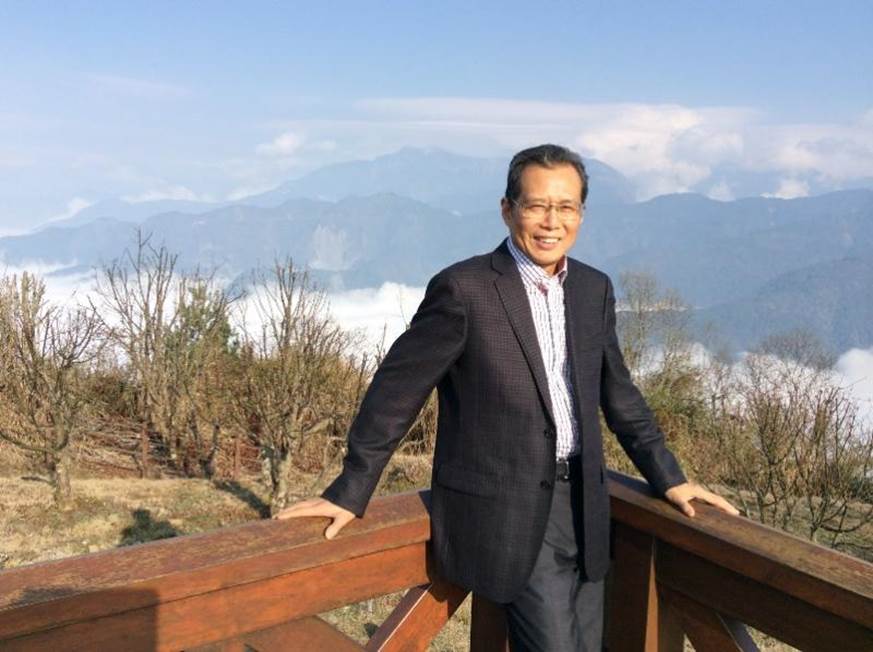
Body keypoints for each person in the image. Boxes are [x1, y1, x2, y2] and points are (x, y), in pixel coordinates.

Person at [276, 144, 739, 650]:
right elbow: (396, 391)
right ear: (507, 209)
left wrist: (670, 478)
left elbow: (619, 394)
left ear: (582, 213)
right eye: (536, 205)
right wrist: (351, 488)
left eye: (566, 207)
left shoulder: (593, 289)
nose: (551, 222)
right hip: (507, 512)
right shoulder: (465, 289)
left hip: (587, 507)